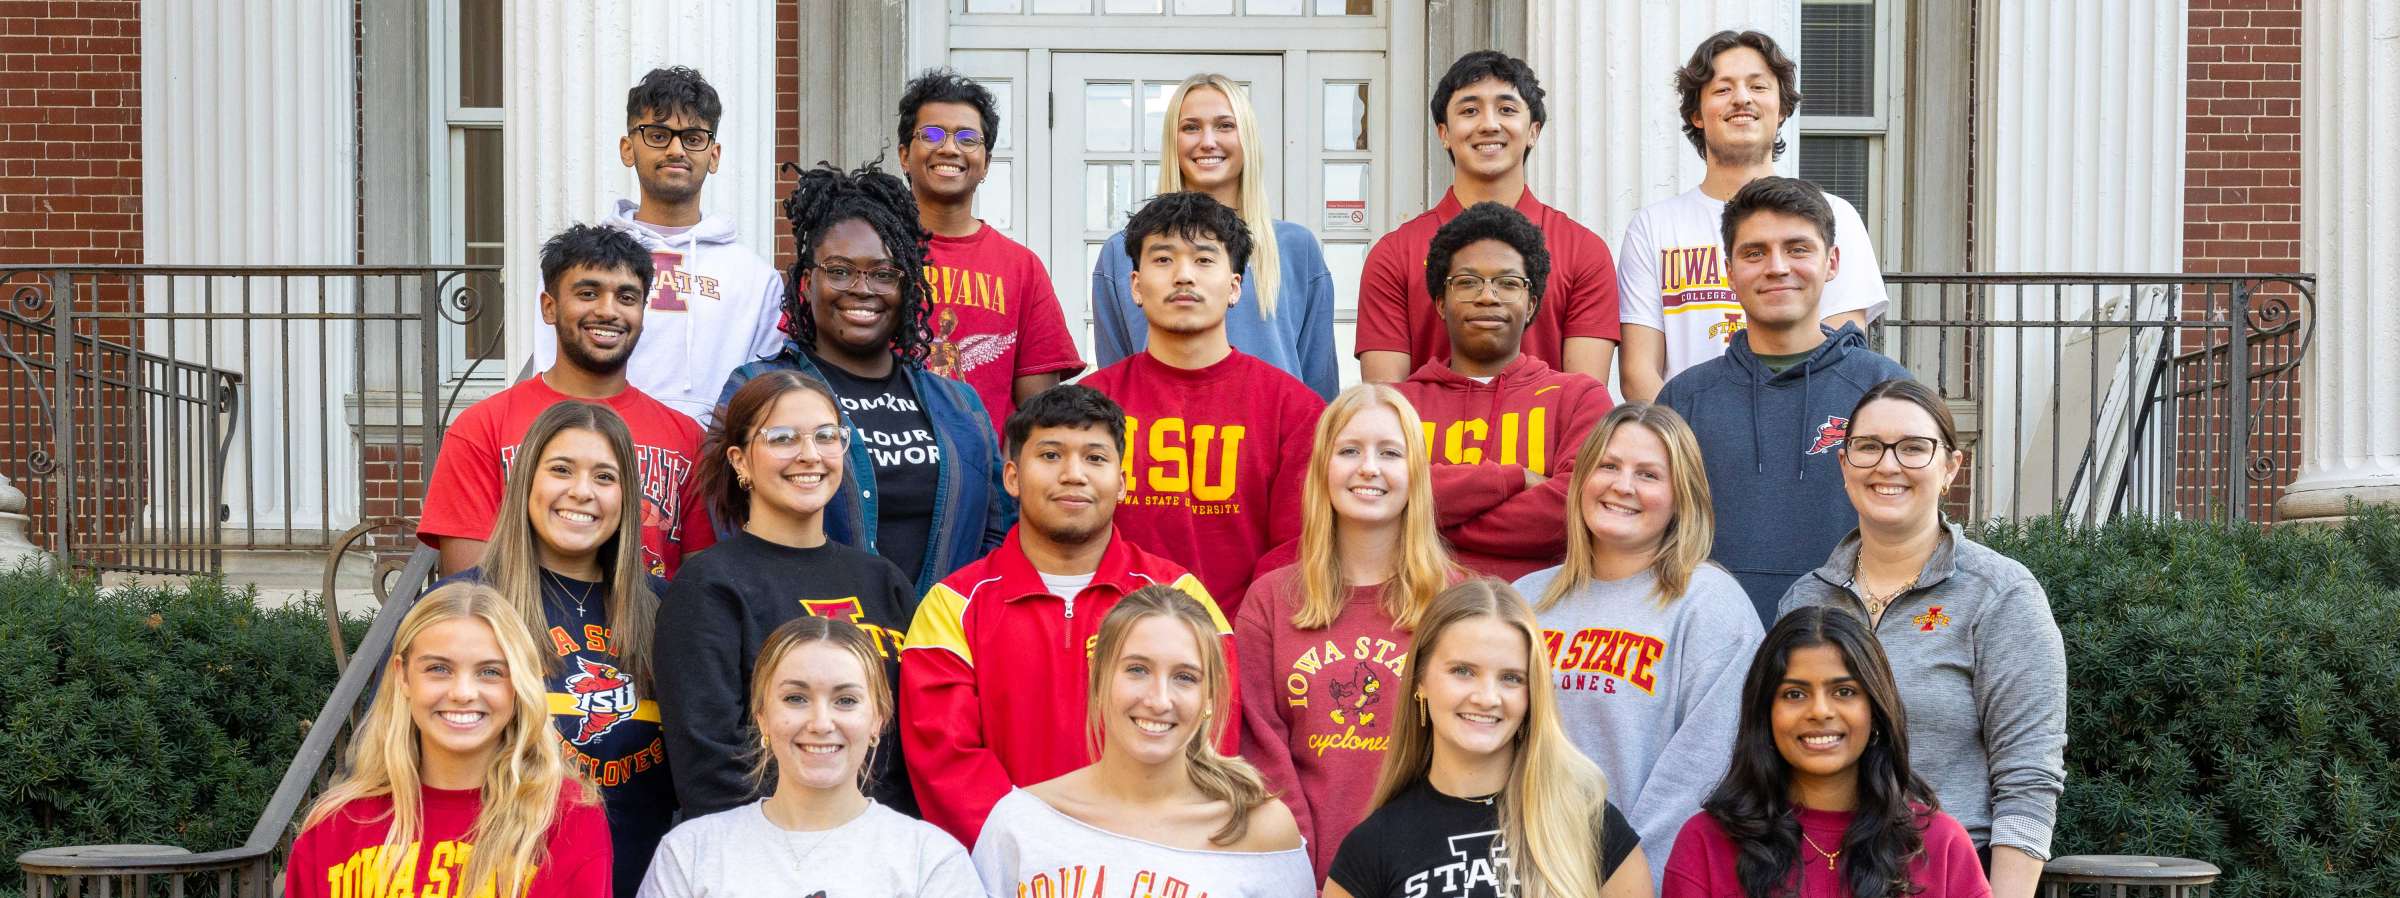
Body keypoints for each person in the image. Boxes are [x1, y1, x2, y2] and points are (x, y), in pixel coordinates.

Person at [900, 384, 1238, 845]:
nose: (1073, 474)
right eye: (1052, 455)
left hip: (1150, 863)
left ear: (1121, 482)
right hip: (1010, 870)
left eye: (1095, 458)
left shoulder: (1179, 597)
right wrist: (1046, 854)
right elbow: (946, 762)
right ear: (1013, 477)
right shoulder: (952, 606)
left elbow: (1212, 740)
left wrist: (1132, 848)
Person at [1779, 379, 2065, 898]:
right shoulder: (1806, 601)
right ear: (1845, 466)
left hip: (1949, 874)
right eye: (1869, 447)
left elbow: (2028, 775)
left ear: (1950, 468)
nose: (1889, 466)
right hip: (1816, 873)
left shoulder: (2000, 596)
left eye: (1914, 448)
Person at [719, 161, 1013, 595]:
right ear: (806, 282)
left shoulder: (960, 405)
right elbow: (725, 522)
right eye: (839, 271)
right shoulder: (759, 389)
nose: (862, 288)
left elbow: (997, 534)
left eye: (882, 274)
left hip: (941, 649)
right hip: (809, 642)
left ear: (907, 286)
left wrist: (945, 628)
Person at [1516, 401, 1764, 887]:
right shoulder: (1523, 600)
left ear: (1680, 497)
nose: (1622, 486)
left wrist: (1627, 882)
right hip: (1523, 872)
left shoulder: (1709, 605)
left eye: (1648, 474)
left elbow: (1703, 774)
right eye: (1608, 466)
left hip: (1645, 879)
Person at [655, 371, 920, 819]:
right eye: (782, 438)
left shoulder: (884, 581)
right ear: (740, 461)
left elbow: (913, 741)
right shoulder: (708, 587)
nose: (810, 455)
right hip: (763, 853)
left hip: (885, 851)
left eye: (826, 436)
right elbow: (709, 767)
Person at [438, 402, 674, 898]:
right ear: (527, 481)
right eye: (561, 470)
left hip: (641, 879)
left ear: (626, 497)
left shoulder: (667, 610)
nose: (582, 491)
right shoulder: (467, 606)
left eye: (605, 477)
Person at [1235, 383, 1467, 880]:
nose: (1369, 468)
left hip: (1426, 866)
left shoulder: (1456, 601)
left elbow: (1473, 751)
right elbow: (1259, 749)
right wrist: (1297, 856)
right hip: (1295, 863)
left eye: (1390, 452)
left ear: (1416, 475)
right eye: (1349, 451)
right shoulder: (1272, 599)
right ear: (1323, 468)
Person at [1655, 176, 1910, 622]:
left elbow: (1918, 528)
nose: (1776, 267)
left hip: (1852, 647)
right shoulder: (1684, 398)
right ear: (1729, 270)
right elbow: (1655, 536)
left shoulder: (1886, 391)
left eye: (1797, 249)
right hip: (1712, 644)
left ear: (1832, 262)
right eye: (1754, 253)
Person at [973, 585, 1315, 895]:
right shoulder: (1021, 822)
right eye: (1137, 669)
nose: (1159, 700)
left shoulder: (1262, 830)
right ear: (1099, 678)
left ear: (1209, 697)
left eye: (1185, 677)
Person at [421, 224, 714, 579]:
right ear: (549, 307)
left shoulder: (685, 438)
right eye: (588, 293)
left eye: (626, 297)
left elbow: (698, 586)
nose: (609, 311)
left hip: (646, 630)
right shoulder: (483, 428)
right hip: (519, 632)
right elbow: (468, 589)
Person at [1326, 580, 1650, 898]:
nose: (1487, 697)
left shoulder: (1591, 824)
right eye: (1463, 671)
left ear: (1531, 695)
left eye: (1511, 678)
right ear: (1419, 681)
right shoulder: (1371, 849)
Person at [285, 583, 609, 898]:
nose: (463, 693)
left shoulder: (565, 818)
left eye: (490, 672)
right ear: (403, 676)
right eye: (439, 668)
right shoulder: (335, 824)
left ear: (519, 684)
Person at [1080, 191, 1324, 609]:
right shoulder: (1089, 407)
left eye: (1204, 259)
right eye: (1163, 259)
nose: (1183, 276)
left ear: (1234, 288)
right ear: (1136, 287)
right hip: (1112, 641)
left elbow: (1295, 554)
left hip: (1239, 641)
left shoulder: (1293, 410)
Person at [1616, 31, 1886, 402]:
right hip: (1685, 448)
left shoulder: (1836, 216)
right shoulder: (1653, 228)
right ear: (1697, 114)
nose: (1742, 98)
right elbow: (1638, 373)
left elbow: (1841, 358)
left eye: (1758, 86)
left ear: (1783, 108)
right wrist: (1688, 450)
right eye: (1723, 89)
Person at [638, 617, 981, 897]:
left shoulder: (931, 860)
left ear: (878, 717)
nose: (820, 723)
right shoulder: (689, 852)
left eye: (846, 700)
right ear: (762, 716)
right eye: (796, 698)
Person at [1662, 607, 1991, 898]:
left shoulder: (1940, 844)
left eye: (1844, 691)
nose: (1820, 711)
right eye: (1794, 694)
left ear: (1875, 710)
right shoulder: (1705, 842)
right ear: (1765, 713)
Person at [530, 66, 786, 422]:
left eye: (693, 137)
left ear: (714, 155)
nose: (676, 149)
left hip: (711, 465)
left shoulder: (756, 279)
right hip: (601, 456)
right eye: (658, 135)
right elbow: (551, 378)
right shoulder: (579, 265)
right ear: (627, 148)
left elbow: (763, 396)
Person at [1355, 50, 1622, 385]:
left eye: (1507, 110)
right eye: (1469, 110)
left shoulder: (1584, 251)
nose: (1489, 124)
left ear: (1533, 131)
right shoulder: (1394, 255)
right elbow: (1386, 407)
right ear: (1444, 133)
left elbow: (1584, 404)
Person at [1394, 201, 1614, 580]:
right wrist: (1517, 479)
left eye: (1508, 283)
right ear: (1441, 303)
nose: (1487, 296)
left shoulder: (1579, 399)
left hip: (1545, 619)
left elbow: (1574, 511)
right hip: (1417, 613)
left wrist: (1420, 519)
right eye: (1467, 282)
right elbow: (1383, 496)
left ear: (1531, 305)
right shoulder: (1397, 406)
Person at [1094, 73, 1340, 399]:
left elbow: (1319, 388)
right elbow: (1118, 386)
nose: (1207, 141)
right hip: (1160, 444)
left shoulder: (1297, 249)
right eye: (1191, 127)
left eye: (1225, 125)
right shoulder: (1121, 252)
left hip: (1272, 444)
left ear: (1247, 138)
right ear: (1173, 141)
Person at [895, 68, 1087, 431]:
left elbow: (1038, 413)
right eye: (932, 134)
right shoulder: (872, 255)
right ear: (905, 155)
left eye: (968, 138)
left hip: (986, 479)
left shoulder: (1021, 267)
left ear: (985, 162)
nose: (949, 148)